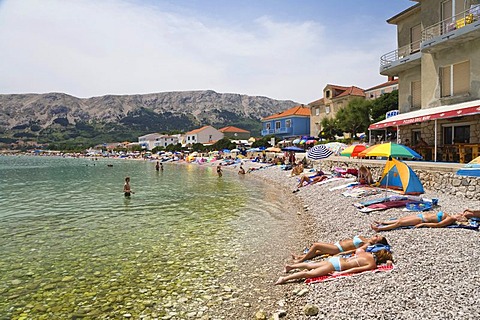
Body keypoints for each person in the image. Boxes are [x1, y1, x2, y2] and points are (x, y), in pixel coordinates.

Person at [275, 248, 393, 285]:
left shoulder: (365, 252)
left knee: (310, 265)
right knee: (309, 274)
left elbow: (358, 250)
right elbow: (356, 269)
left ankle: (290, 267)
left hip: (336, 259)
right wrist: (340, 273)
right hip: (338, 266)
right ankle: (284, 279)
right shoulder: (372, 264)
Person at [291, 235, 389, 263]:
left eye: (377, 238)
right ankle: (300, 256)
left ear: (377, 242)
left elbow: (354, 251)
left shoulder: (366, 244)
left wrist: (343, 253)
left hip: (338, 249)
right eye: (377, 235)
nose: (375, 236)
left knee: (316, 245)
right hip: (337, 244)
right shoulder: (365, 238)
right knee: (318, 251)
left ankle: (301, 260)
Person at [370, 211, 469, 231]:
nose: (459, 214)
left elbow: (438, 225)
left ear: (459, 219)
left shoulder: (451, 219)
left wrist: (423, 224)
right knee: (401, 219)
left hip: (422, 219)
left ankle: (381, 229)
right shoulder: (450, 215)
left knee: (399, 223)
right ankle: (383, 222)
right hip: (421, 215)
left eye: (460, 216)